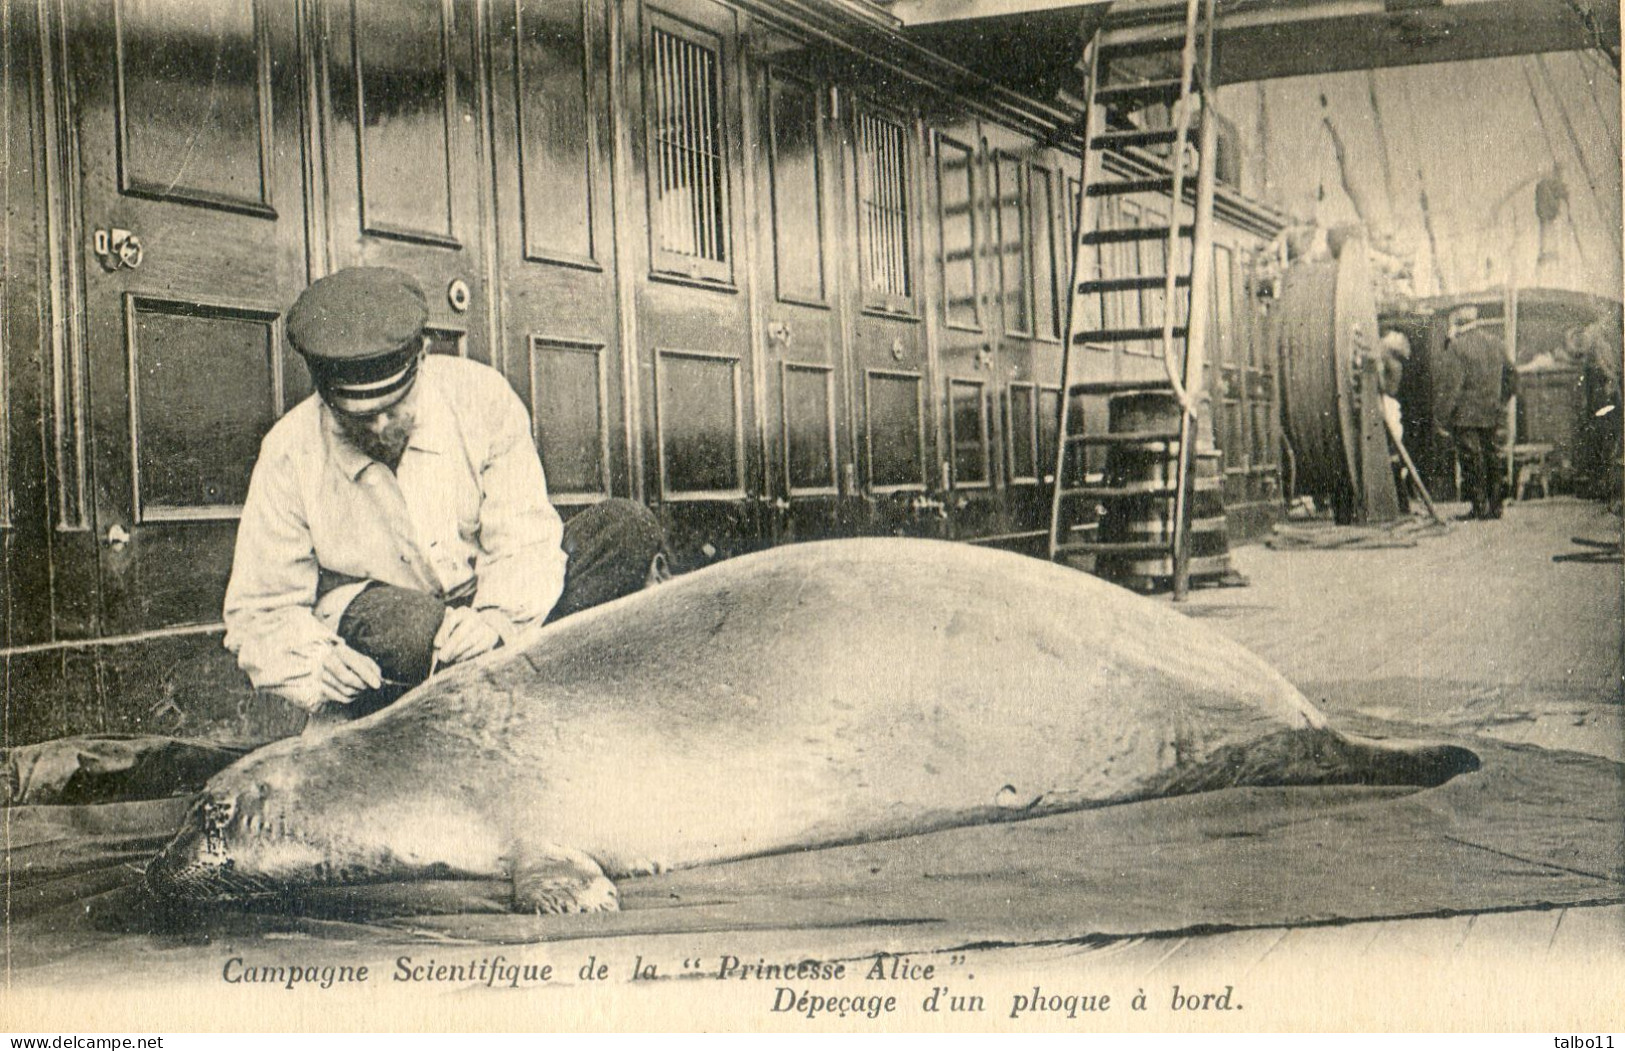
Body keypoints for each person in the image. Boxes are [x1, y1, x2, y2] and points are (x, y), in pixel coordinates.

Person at [224, 267, 668, 727]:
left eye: (395, 408)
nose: (379, 429)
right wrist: (316, 664)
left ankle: (496, 688)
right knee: (414, 629)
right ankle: (489, 698)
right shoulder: (288, 450)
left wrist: (495, 620)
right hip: (388, 624)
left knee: (625, 528)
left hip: (486, 598)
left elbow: (525, 537)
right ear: (324, 397)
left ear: (423, 358)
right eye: (357, 418)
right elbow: (259, 611)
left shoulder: (482, 396)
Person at [1435, 305, 1516, 521]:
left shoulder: (1457, 347)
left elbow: (1451, 386)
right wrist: (1501, 401)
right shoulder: (1496, 343)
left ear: (1457, 322)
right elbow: (1512, 377)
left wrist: (1441, 418)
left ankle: (1479, 507)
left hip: (1466, 415)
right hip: (1492, 411)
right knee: (1492, 457)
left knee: (1472, 461)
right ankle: (1496, 507)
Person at [1376, 328, 1412, 513]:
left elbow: (1388, 389)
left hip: (1387, 408)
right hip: (1385, 407)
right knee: (1392, 455)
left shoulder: (1394, 365)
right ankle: (1399, 503)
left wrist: (1377, 376)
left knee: (1392, 456)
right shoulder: (1389, 361)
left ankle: (1401, 503)